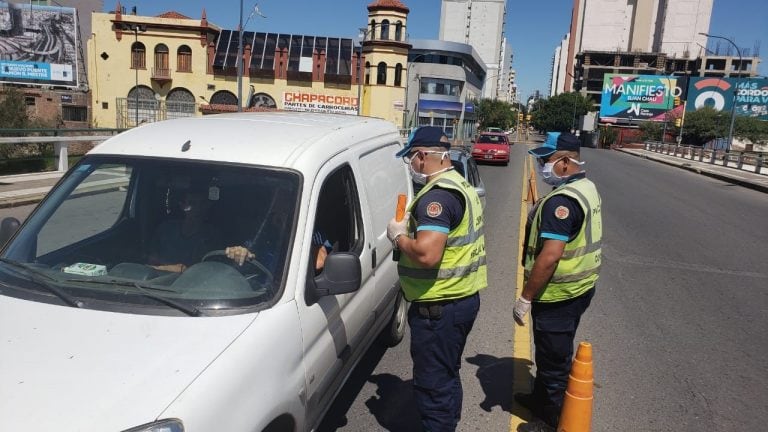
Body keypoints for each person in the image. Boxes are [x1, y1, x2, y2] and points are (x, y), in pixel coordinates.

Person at [387, 126, 487, 432]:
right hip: (462, 299)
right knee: (447, 373)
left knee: (433, 387)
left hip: (439, 308)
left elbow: (428, 255)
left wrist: (399, 238)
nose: (411, 167)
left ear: (421, 156)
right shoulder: (462, 185)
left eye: (410, 160)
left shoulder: (438, 198)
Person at [512, 132, 602, 428]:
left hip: (558, 296)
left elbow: (549, 257)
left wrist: (526, 297)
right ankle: (539, 401)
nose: (541, 166)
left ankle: (549, 420)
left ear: (564, 161)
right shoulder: (586, 187)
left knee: (553, 362)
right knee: (549, 353)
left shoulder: (562, 202)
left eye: (545, 160)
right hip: (579, 289)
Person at [148, 187, 220, 273]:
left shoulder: (211, 235)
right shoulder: (165, 229)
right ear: (182, 206)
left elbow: (210, 269)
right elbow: (152, 260)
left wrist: (183, 269)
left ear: (207, 206)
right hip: (154, 281)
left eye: (202, 204)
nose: (198, 209)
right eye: (192, 203)